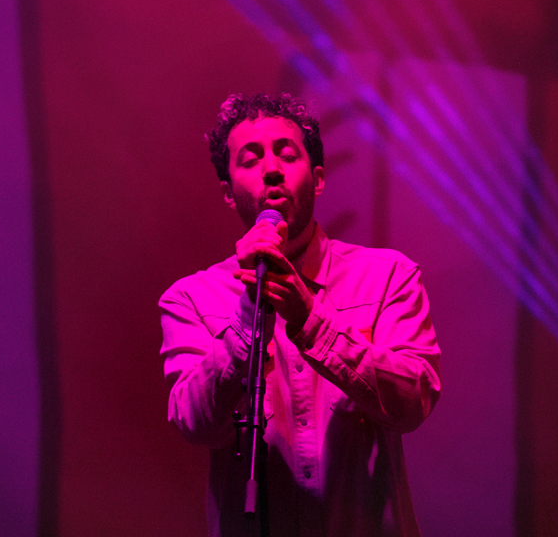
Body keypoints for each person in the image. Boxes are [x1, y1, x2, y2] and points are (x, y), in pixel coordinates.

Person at [159, 92, 441, 537]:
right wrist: (247, 319)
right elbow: (194, 422)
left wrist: (311, 322)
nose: (271, 168)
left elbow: (414, 402)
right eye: (249, 160)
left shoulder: (388, 276)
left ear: (319, 178)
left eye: (286, 155)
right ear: (228, 194)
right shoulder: (191, 298)